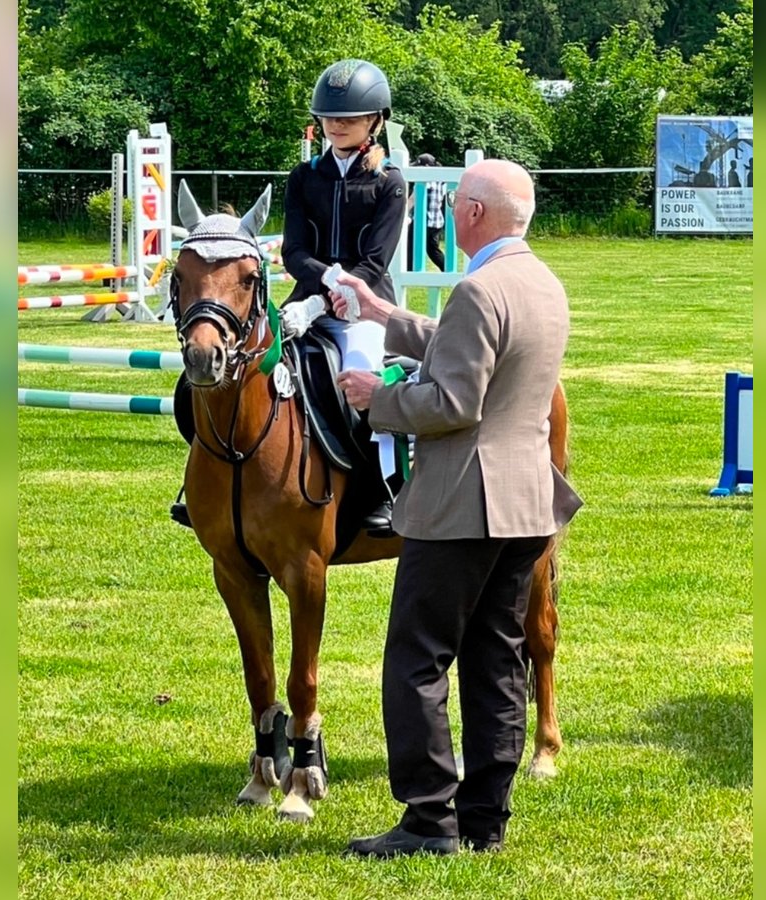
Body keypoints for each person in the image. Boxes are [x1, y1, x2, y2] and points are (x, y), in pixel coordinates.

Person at [332, 159, 583, 858]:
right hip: (527, 502)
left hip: (463, 503)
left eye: (451, 207)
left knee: (416, 658)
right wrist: (384, 315)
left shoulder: (477, 290)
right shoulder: (542, 283)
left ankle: (426, 820)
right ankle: (483, 820)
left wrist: (373, 397)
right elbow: (470, 349)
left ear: (472, 214)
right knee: (496, 660)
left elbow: (451, 403)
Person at [279, 58, 408, 537]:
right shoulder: (304, 177)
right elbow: (294, 251)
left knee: (363, 378)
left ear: (375, 121)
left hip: (367, 308)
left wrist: (343, 292)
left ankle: (382, 490)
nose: (337, 125)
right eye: (330, 117)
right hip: (306, 303)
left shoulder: (388, 182)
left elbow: (375, 262)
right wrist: (320, 293)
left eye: (349, 118)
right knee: (244, 363)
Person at [408, 153, 446, 271]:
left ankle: (409, 270)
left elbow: (413, 199)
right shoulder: (441, 180)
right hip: (437, 221)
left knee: (410, 246)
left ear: (427, 167)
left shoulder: (425, 181)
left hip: (424, 220)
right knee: (433, 250)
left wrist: (405, 213)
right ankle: (447, 268)